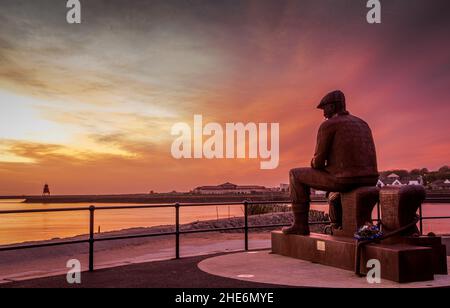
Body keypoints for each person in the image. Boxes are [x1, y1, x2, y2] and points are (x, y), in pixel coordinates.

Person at [283, 90, 379, 235]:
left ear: (333, 107)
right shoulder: (363, 123)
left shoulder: (328, 125)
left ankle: (300, 225)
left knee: (294, 174)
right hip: (371, 179)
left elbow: (319, 163)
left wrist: (314, 162)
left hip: (345, 180)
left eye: (325, 108)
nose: (324, 113)